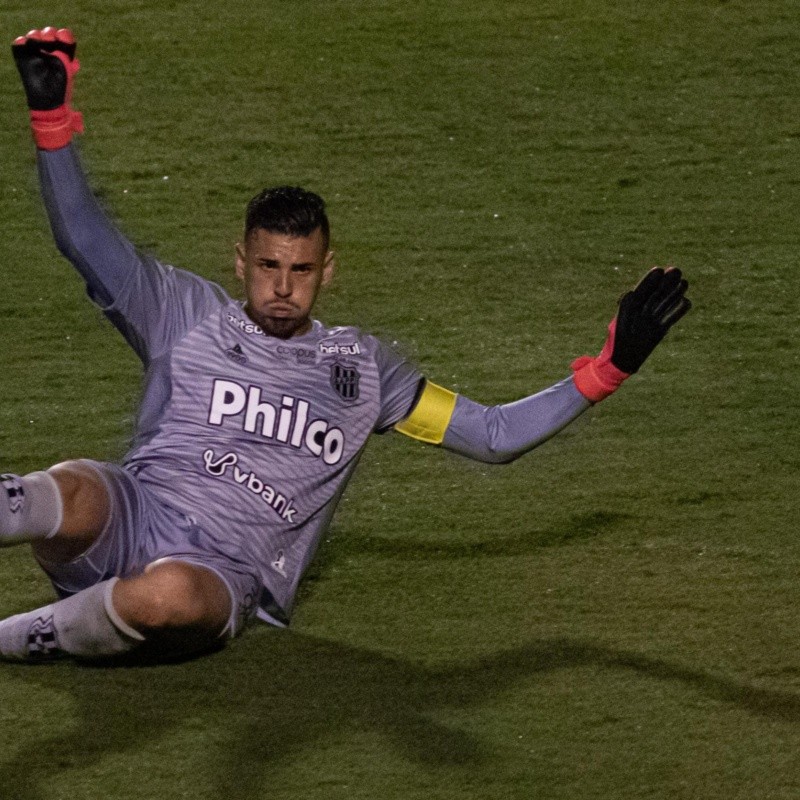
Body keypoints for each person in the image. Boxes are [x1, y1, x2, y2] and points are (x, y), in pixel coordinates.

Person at [0, 27, 690, 662]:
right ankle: (77, 599)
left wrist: (606, 371)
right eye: (268, 267)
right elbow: (84, 240)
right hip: (133, 514)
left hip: (221, 576)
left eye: (300, 271)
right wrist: (51, 122)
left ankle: (14, 640)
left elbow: (492, 434)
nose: (281, 287)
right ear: (240, 260)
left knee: (165, 595)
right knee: (67, 488)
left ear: (327, 271)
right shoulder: (181, 311)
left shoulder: (365, 375)